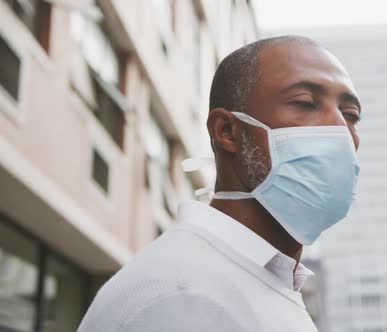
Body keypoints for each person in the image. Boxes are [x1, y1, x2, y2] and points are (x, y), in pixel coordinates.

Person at [76, 35, 362, 332]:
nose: (340, 129)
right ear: (227, 131)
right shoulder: (185, 294)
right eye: (305, 103)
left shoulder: (257, 280)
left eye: (350, 115)